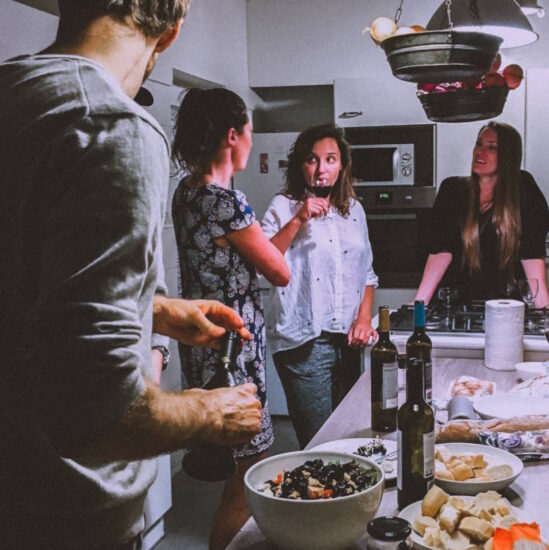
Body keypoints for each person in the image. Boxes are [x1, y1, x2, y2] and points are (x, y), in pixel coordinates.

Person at [0, 2, 264, 548]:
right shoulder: (110, 124)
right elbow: (97, 412)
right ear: (170, 32)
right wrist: (214, 409)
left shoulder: (14, 93)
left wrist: (160, 311)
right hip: (65, 514)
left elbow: (26, 281)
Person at [171, 87, 289, 549]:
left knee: (236, 468)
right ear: (232, 135)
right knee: (246, 473)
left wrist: (292, 222)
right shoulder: (228, 203)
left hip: (203, 348)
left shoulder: (187, 194)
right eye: (250, 134)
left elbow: (254, 258)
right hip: (234, 354)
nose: (252, 144)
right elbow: (277, 271)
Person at [261, 124, 378, 448]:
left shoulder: (354, 210)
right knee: (319, 444)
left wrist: (363, 319)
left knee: (350, 439)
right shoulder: (282, 206)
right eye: (313, 160)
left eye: (330, 159)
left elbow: (366, 271)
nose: (321, 169)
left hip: (349, 344)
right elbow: (265, 264)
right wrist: (298, 219)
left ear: (342, 165)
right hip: (303, 341)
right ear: (302, 165)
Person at [414, 121, 549, 308]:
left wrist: (544, 310)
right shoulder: (452, 191)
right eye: (479, 144)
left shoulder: (524, 190)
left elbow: (532, 255)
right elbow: (440, 252)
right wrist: (418, 304)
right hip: (457, 306)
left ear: (507, 157)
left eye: (492, 148)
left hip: (508, 308)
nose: (480, 152)